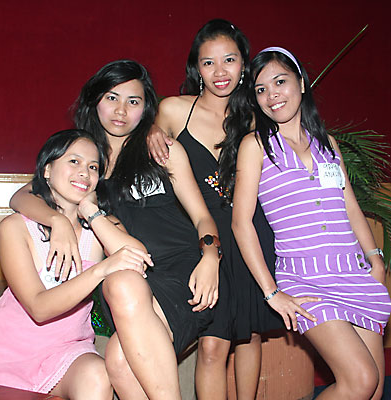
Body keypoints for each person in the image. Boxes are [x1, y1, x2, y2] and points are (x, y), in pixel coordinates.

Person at [9, 60, 222, 400]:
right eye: (112, 98)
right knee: (118, 357)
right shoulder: (83, 160)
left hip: (183, 273)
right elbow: (21, 196)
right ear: (95, 101)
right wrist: (58, 220)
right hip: (127, 282)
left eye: (133, 101)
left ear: (146, 108)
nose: (121, 110)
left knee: (120, 344)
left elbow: (202, 218)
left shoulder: (161, 150)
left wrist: (210, 257)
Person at [230, 47, 391, 400]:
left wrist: (375, 259)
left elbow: (350, 206)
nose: (272, 95)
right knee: (361, 380)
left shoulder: (327, 144)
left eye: (280, 82)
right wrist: (272, 292)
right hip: (306, 280)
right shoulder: (255, 146)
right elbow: (241, 223)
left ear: (301, 83)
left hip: (354, 274)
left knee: (374, 390)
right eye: (261, 89)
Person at [147, 19, 282, 400]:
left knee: (249, 336)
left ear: (243, 65)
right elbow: (148, 143)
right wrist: (151, 131)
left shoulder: (255, 116)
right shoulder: (174, 109)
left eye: (229, 60)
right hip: (202, 237)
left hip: (249, 231)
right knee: (211, 344)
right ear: (197, 68)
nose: (220, 72)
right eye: (209, 63)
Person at [0, 129, 151, 400]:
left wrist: (90, 211)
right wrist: (100, 269)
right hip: (9, 354)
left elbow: (138, 258)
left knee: (98, 375)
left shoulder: (99, 227)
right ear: (47, 170)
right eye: (74, 161)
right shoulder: (16, 227)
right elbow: (39, 308)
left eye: (93, 167)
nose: (84, 173)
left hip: (69, 350)